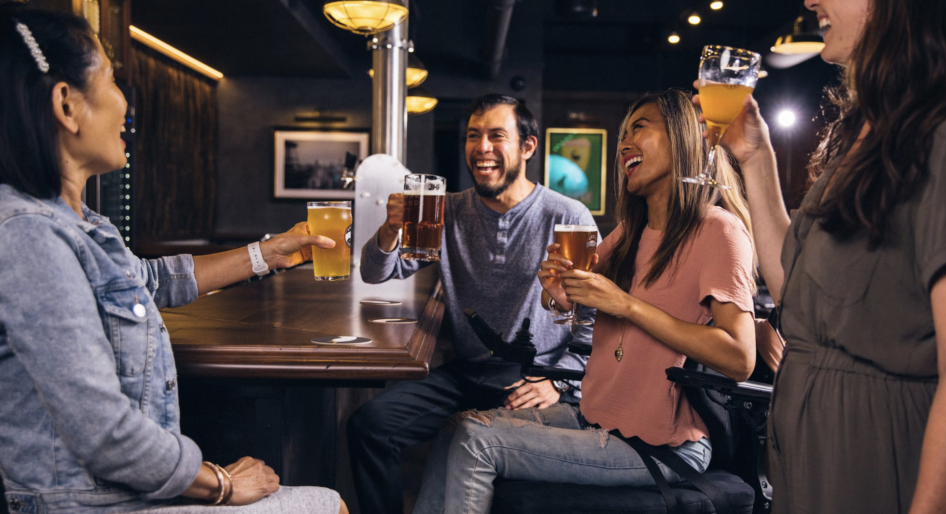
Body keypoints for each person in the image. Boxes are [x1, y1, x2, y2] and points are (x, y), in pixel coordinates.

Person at [0, 7, 346, 514]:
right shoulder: (30, 236)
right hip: (88, 505)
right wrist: (221, 482)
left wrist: (270, 252)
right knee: (328, 505)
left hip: (126, 491)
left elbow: (152, 281)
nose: (126, 105)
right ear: (66, 105)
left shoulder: (84, 224)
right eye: (113, 81)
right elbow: (106, 435)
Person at [697, 0, 946, 512]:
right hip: (810, 457)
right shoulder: (870, 130)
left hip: (880, 456)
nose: (811, 1)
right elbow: (793, 288)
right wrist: (756, 157)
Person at [411, 89, 758, 513]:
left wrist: (627, 305)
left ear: (684, 136)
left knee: (475, 441)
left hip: (661, 443)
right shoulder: (630, 234)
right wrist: (558, 296)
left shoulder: (717, 231)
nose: (624, 143)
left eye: (640, 128)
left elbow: (740, 358)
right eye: (623, 133)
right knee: (455, 428)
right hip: (600, 417)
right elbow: (568, 308)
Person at [350, 94, 597, 514]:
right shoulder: (445, 211)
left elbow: (596, 318)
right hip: (466, 374)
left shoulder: (567, 216)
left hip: (532, 378)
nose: (482, 147)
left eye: (497, 136)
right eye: (473, 136)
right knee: (370, 425)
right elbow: (377, 273)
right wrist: (390, 230)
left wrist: (559, 383)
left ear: (528, 147)